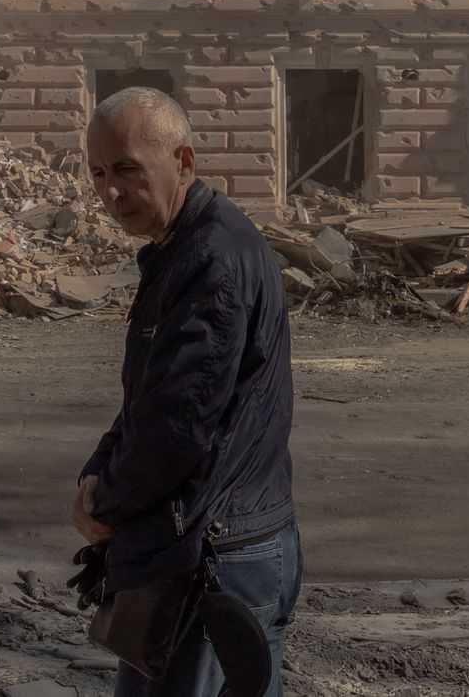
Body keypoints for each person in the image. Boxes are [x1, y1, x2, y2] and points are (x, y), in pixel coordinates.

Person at [72, 87, 300, 697]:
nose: (110, 193)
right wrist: (95, 476)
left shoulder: (210, 262)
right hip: (229, 543)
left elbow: (177, 426)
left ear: (184, 162)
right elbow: (149, 399)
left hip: (213, 558)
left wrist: (105, 501)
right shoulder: (182, 250)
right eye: (97, 173)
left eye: (126, 170)